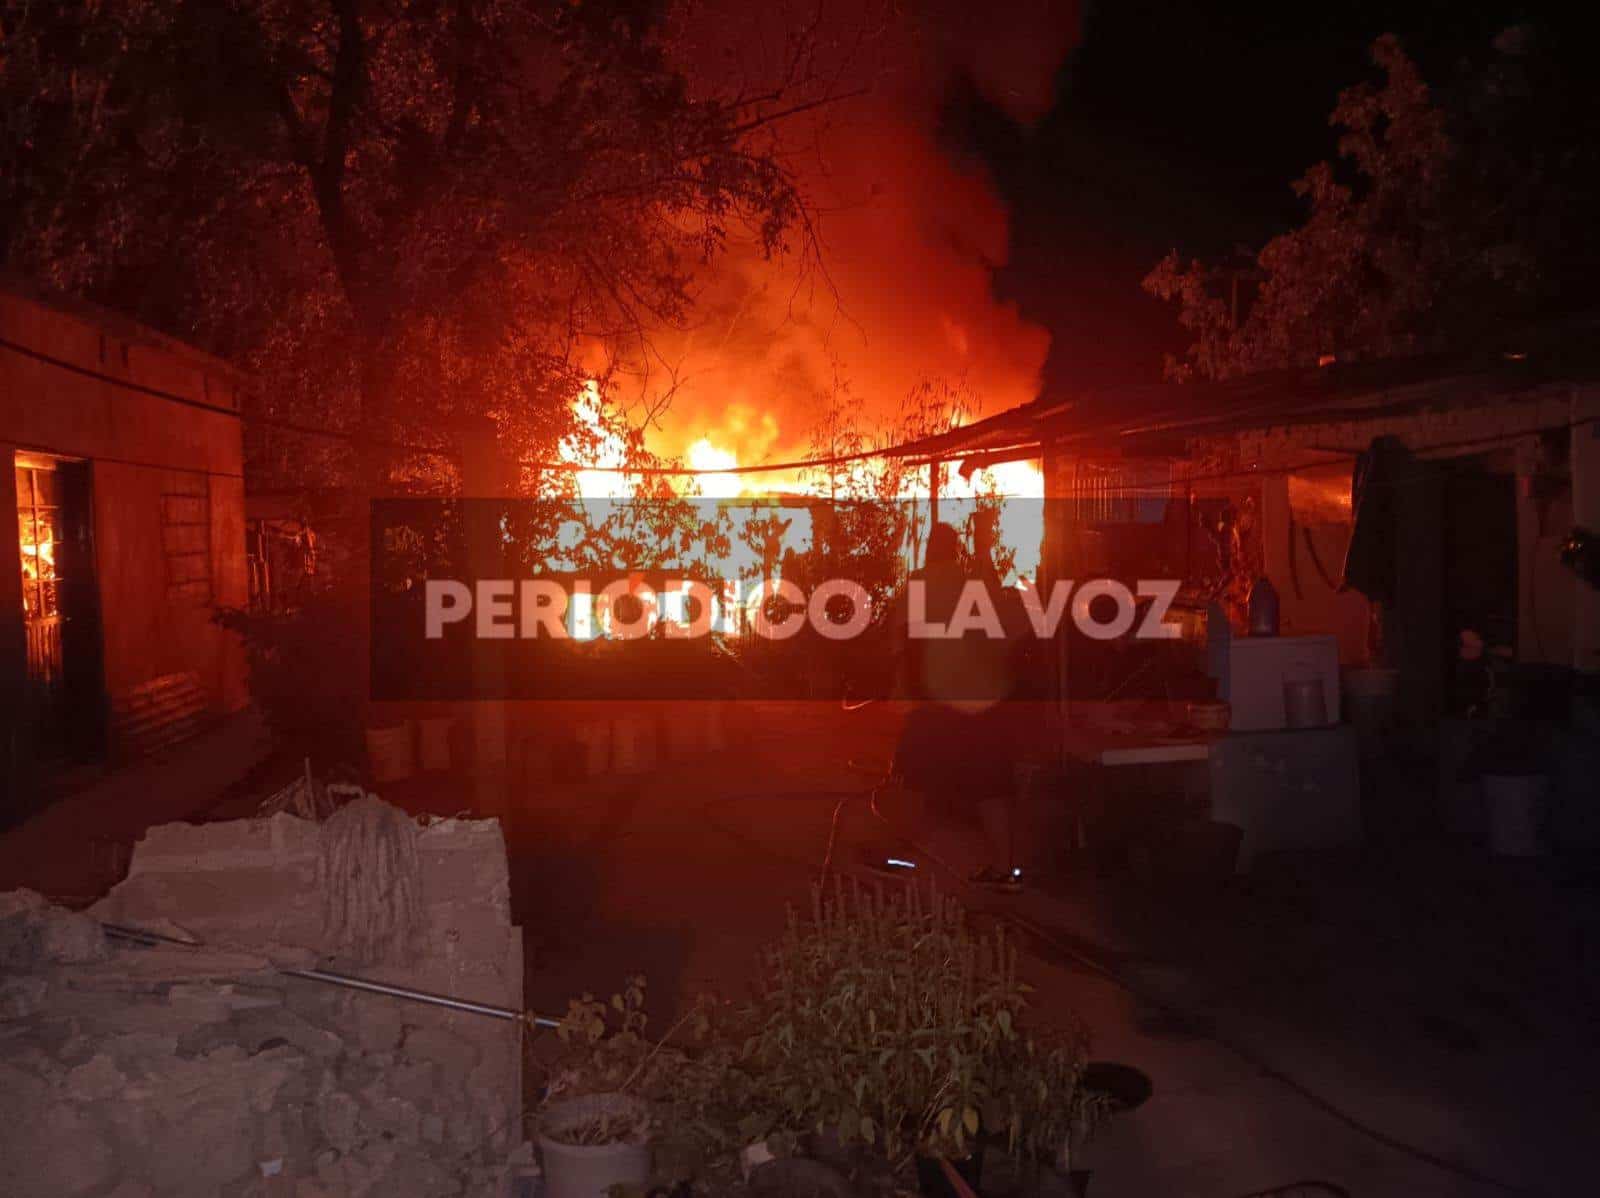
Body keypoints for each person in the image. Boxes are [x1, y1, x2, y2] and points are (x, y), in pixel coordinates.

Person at [887, 519, 1029, 889]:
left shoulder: (919, 584)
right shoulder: (973, 584)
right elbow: (1014, 630)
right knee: (990, 784)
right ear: (955, 550)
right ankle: (1005, 870)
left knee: (917, 778)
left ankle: (903, 860)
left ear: (930, 549)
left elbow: (900, 642)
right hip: (984, 701)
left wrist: (903, 689)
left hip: (938, 701)